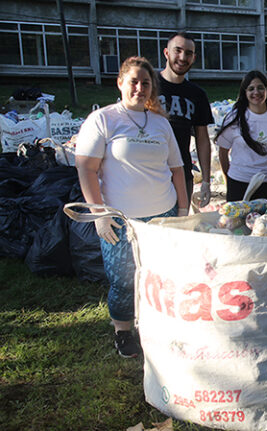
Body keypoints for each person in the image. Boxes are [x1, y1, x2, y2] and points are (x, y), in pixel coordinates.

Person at [75, 56, 188, 358]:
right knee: (123, 280)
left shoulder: (161, 124)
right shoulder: (104, 119)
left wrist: (182, 211)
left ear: (153, 88)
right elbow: (86, 168)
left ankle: (153, 325)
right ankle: (123, 331)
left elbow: (177, 169)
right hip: (119, 219)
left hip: (162, 215)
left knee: (160, 275)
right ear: (121, 83)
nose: (139, 88)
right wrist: (98, 213)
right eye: (134, 81)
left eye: (146, 83)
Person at [215, 70, 267, 206]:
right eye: (251, 89)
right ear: (245, 92)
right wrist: (228, 179)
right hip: (239, 183)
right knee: (237, 226)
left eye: (260, 88)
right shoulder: (235, 117)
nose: (256, 92)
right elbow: (223, 152)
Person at [158, 31, 214, 209]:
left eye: (188, 53)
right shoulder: (148, 85)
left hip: (182, 174)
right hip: (150, 173)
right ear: (166, 53)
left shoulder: (197, 94)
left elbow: (203, 139)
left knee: (178, 226)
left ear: (194, 57)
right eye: (178, 50)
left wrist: (206, 181)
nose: (183, 57)